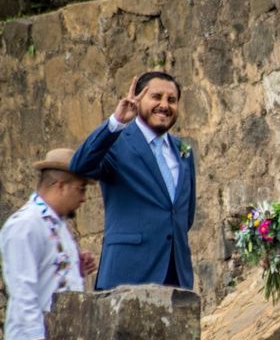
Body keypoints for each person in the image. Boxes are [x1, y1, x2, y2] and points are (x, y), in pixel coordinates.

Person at [69, 71, 196, 290]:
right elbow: (80, 165)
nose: (164, 105)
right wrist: (116, 122)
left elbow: (185, 215)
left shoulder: (183, 151)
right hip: (127, 273)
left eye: (171, 100)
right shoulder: (117, 142)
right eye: (156, 97)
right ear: (138, 99)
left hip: (176, 276)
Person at [0, 148, 96, 340]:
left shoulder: (56, 224)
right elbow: (22, 286)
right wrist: (34, 337)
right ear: (59, 185)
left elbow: (49, 276)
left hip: (58, 334)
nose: (83, 197)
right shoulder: (26, 225)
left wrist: (78, 267)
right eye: (80, 188)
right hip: (37, 337)